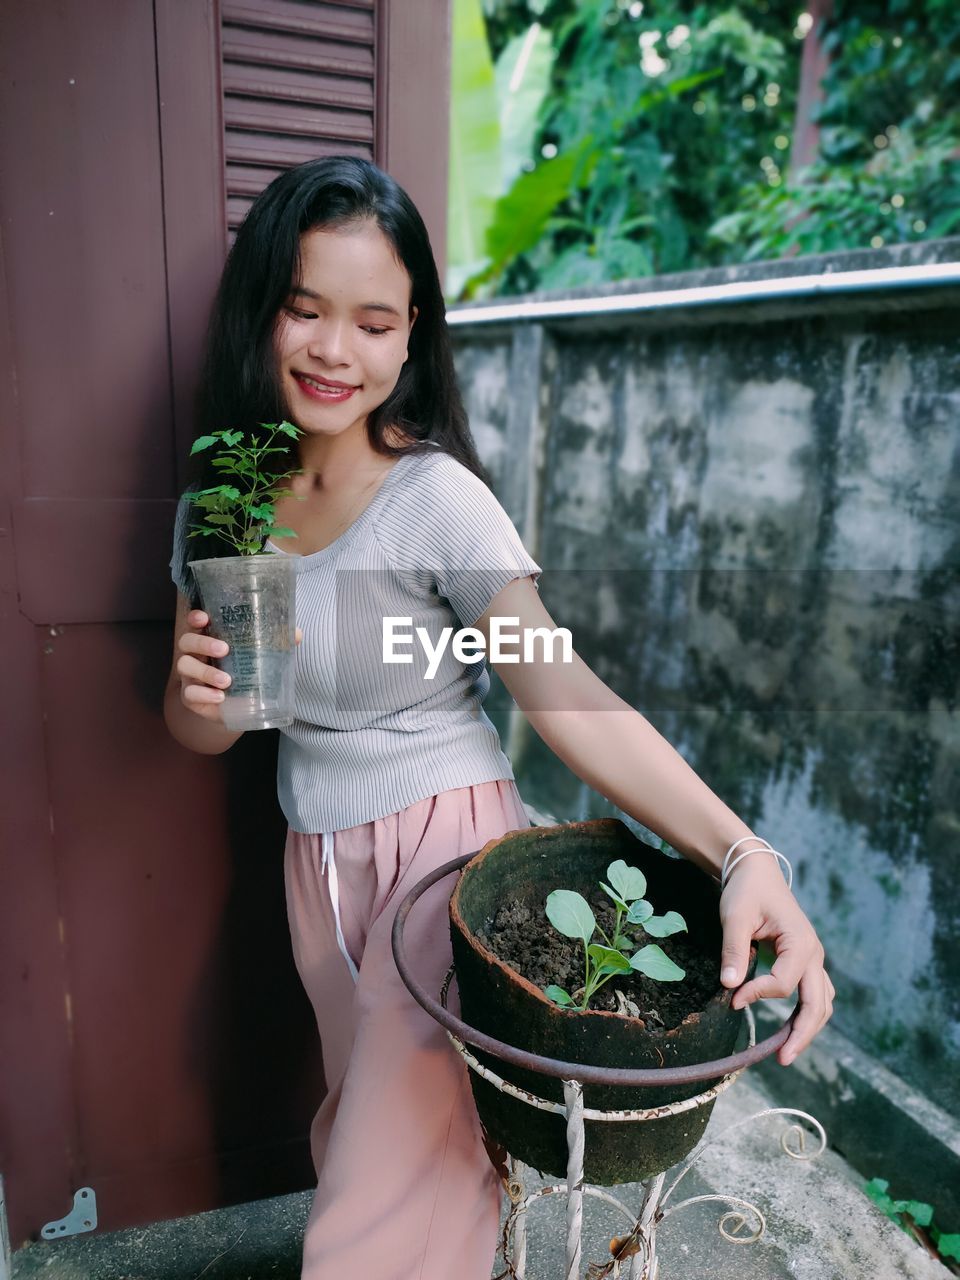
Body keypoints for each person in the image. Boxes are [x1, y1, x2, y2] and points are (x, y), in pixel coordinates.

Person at [164, 156, 833, 1280]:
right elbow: (218, 727)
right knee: (389, 1158)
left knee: (376, 1227)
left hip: (443, 866)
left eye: (375, 321)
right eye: (305, 307)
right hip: (316, 871)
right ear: (261, 307)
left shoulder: (433, 499)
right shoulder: (224, 493)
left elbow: (565, 697)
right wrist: (196, 700)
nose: (337, 349)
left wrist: (739, 851)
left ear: (413, 331)